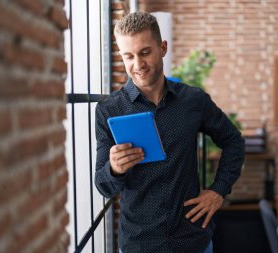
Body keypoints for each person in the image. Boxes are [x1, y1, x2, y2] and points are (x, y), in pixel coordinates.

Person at [95, 12, 245, 253]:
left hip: (192, 240)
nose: (138, 65)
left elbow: (233, 141)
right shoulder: (109, 110)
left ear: (162, 48)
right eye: (128, 56)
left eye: (145, 52)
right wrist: (114, 168)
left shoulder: (193, 100)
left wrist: (219, 190)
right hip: (139, 245)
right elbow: (103, 186)